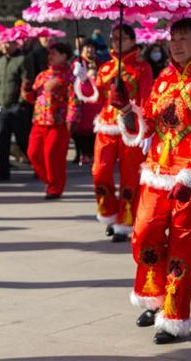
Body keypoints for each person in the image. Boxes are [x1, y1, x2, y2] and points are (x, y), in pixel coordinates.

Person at [116, 17, 191, 344]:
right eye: (173, 38)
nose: (176, 43)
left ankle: (173, 315)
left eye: (184, 38)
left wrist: (190, 174)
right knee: (144, 233)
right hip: (156, 170)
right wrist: (127, 112)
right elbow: (149, 124)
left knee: (184, 247)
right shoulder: (164, 77)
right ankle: (153, 296)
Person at [74, 24, 153, 242]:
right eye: (113, 37)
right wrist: (83, 80)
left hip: (130, 128)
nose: (116, 41)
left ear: (132, 40)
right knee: (100, 171)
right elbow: (96, 96)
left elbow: (147, 99)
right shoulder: (106, 67)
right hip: (107, 126)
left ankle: (125, 221)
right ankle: (108, 212)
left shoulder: (142, 67)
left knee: (130, 177)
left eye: (122, 38)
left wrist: (147, 128)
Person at [23, 43, 76, 199]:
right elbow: (32, 98)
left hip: (58, 122)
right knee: (33, 153)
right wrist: (26, 90)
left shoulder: (69, 76)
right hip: (39, 120)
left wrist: (72, 119)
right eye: (49, 54)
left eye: (53, 53)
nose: (49, 57)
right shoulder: (42, 75)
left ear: (64, 56)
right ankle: (50, 180)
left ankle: (55, 187)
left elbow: (74, 99)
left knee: (53, 155)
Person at [0, 39, 29, 181]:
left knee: (23, 141)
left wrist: (20, 103)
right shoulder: (0, 60)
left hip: (16, 107)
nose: (6, 46)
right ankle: (2, 173)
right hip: (2, 106)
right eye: (4, 43)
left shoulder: (22, 60)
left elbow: (26, 82)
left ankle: (39, 168)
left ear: (16, 44)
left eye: (10, 43)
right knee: (1, 141)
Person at [70, 43, 101, 166]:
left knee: (92, 129)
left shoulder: (98, 62)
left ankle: (92, 154)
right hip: (80, 99)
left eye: (92, 48)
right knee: (79, 129)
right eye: (87, 48)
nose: (90, 50)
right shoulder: (77, 62)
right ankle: (80, 153)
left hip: (94, 99)